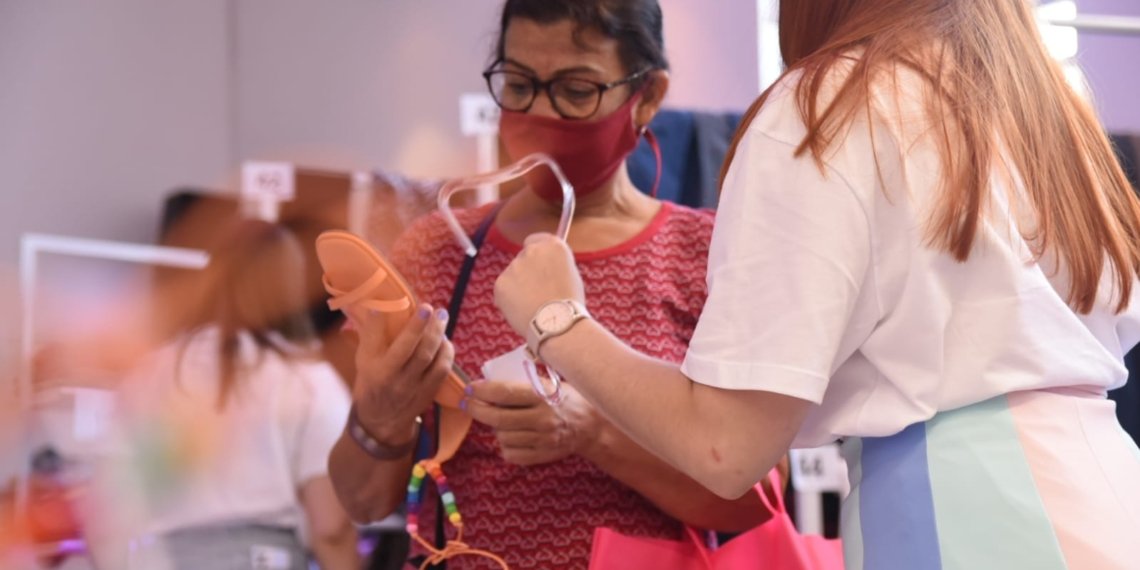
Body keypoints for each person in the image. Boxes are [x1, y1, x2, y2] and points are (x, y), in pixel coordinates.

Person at [493, 0, 1140, 568]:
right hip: (1103, 496)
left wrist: (559, 321)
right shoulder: (1046, 105)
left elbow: (726, 445)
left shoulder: (830, 105)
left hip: (970, 521)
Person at [328, 0, 779, 567]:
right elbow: (360, 499)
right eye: (518, 85)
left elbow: (756, 498)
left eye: (576, 89)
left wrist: (593, 432)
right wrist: (381, 414)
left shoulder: (703, 256)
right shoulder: (438, 250)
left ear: (648, 97)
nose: (541, 112)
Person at [103, 221, 359, 570]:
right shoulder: (307, 380)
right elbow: (331, 528)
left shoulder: (148, 374)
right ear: (290, 286)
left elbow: (111, 512)